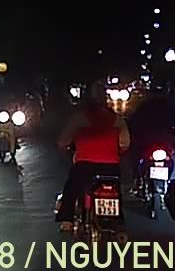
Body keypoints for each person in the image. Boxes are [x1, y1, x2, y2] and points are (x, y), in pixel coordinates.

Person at [55, 91, 130, 232]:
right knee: (115, 191)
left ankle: (67, 220)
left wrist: (66, 147)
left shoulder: (78, 119)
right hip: (111, 167)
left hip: (84, 165)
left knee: (72, 187)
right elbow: (124, 144)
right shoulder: (117, 120)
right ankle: (118, 221)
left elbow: (63, 141)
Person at [127, 81, 175, 179]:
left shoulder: (147, 106)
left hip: (163, 141)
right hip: (153, 141)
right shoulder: (170, 107)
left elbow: (133, 122)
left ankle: (137, 176)